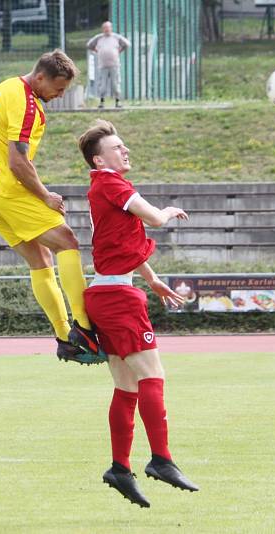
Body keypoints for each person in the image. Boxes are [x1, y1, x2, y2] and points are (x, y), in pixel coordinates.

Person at [77, 119, 199, 508]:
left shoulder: (104, 187)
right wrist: (167, 210)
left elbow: (122, 242)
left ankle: (119, 468)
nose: (125, 151)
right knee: (153, 377)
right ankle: (161, 460)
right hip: (117, 298)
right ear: (99, 160)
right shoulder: (110, 183)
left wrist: (152, 279)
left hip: (108, 291)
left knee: (127, 386)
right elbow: (153, 219)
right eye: (118, 147)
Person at [0, 50, 104, 365]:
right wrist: (46, 196)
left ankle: (65, 339)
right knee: (67, 242)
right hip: (7, 190)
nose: (59, 96)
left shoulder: (5, 86)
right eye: (58, 89)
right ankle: (84, 330)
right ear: (41, 77)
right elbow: (17, 161)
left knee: (40, 259)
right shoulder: (27, 104)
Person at [86, 21, 131, 109]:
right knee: (102, 85)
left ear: (111, 28)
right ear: (103, 29)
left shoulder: (116, 37)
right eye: (105, 28)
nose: (107, 29)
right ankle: (102, 102)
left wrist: (119, 51)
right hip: (102, 65)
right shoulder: (99, 38)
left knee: (115, 84)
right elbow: (89, 45)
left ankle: (118, 102)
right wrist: (97, 51)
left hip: (114, 64)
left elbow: (127, 44)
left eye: (108, 27)